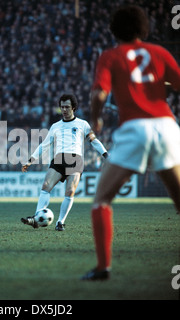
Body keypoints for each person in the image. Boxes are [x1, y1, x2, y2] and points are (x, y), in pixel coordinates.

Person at [81, 5, 180, 280]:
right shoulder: (160, 53)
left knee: (101, 200)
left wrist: (96, 118)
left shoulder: (110, 56)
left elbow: (100, 94)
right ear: (144, 27)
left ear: (114, 29)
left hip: (135, 129)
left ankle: (103, 268)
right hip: (167, 127)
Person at [21, 93, 108, 231]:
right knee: (45, 185)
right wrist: (30, 160)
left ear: (73, 107)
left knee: (70, 192)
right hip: (59, 159)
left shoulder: (82, 124)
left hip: (75, 160)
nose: (64, 110)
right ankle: (36, 218)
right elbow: (44, 145)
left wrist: (105, 154)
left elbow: (94, 141)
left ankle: (60, 222)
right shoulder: (55, 126)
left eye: (67, 107)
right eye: (62, 107)